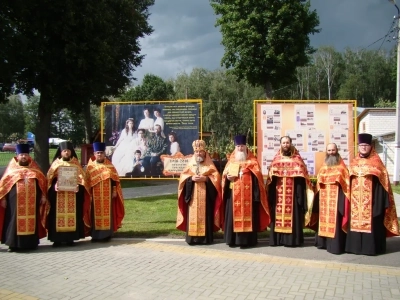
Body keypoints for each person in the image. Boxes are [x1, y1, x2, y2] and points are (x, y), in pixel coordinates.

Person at [345, 133, 399, 255]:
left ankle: (371, 249)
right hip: (355, 203)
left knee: (373, 225)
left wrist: (378, 205)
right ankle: (354, 248)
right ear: (358, 146)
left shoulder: (377, 164)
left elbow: (383, 185)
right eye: (361, 145)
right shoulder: (353, 163)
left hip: (372, 203)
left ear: (371, 146)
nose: (363, 147)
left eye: (366, 145)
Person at [222, 135, 270, 248]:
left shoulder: (253, 162)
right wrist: (227, 179)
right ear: (235, 147)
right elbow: (224, 178)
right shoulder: (231, 161)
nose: (240, 148)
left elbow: (258, 178)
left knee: (249, 216)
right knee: (233, 216)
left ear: (246, 146)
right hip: (233, 197)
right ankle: (233, 240)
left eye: (242, 146)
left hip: (249, 198)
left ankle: (248, 241)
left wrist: (256, 196)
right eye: (238, 146)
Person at [266, 136, 314, 247]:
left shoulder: (297, 160)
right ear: (281, 144)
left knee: (293, 216)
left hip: (293, 196)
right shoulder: (276, 160)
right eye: (284, 143)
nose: (286, 145)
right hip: (278, 195)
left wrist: (300, 196)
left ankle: (293, 240)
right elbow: (271, 179)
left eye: (287, 142)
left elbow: (303, 175)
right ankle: (277, 240)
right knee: (277, 216)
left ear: (291, 144)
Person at [0, 144, 49, 252]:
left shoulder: (35, 170)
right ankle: (13, 244)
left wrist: (43, 196)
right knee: (13, 220)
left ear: (29, 156)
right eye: (21, 155)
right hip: (14, 202)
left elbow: (42, 183)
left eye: (26, 155)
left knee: (32, 219)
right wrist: (3, 199)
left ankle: (31, 243)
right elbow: (3, 186)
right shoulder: (11, 171)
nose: (24, 157)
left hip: (32, 201)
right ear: (17, 156)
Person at [176, 140, 222, 245]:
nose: (198, 154)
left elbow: (216, 178)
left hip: (206, 198)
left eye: (201, 152)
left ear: (204, 152)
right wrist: (191, 178)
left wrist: (206, 179)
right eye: (196, 152)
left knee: (206, 216)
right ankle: (192, 238)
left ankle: (206, 239)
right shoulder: (190, 165)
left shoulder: (210, 166)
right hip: (192, 197)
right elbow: (183, 177)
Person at [47, 141, 91, 247]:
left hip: (73, 195)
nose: (66, 153)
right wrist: (54, 186)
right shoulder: (56, 164)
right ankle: (56, 239)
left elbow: (83, 180)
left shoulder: (76, 164)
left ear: (71, 152)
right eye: (64, 151)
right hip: (58, 196)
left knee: (73, 216)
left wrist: (78, 187)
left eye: (68, 151)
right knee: (56, 217)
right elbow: (49, 180)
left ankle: (70, 238)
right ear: (61, 152)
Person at [313, 143, 350, 254]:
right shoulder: (324, 166)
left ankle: (335, 246)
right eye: (329, 150)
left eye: (333, 150)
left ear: (337, 150)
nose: (331, 152)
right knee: (323, 220)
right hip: (324, 200)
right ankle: (323, 243)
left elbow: (346, 184)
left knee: (336, 223)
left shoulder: (342, 167)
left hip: (336, 200)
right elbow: (319, 181)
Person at [86, 142, 125, 242]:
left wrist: (114, 191)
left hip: (108, 195)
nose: (100, 154)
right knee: (95, 214)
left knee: (108, 214)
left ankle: (106, 235)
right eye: (98, 153)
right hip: (95, 195)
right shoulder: (90, 167)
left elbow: (114, 180)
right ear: (94, 154)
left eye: (101, 153)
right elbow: (87, 181)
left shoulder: (110, 166)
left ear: (104, 154)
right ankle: (95, 236)